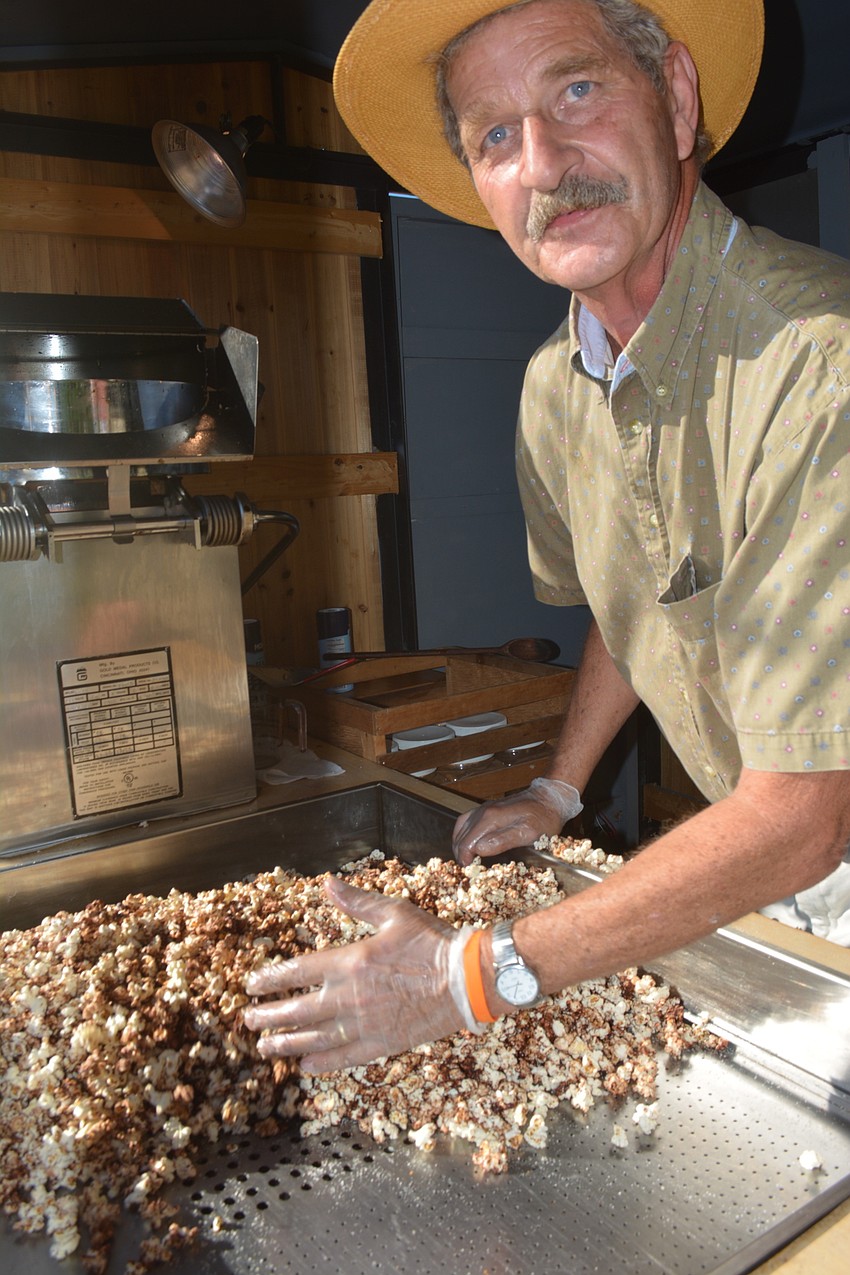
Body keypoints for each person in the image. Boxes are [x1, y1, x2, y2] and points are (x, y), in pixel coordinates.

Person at [243, 0, 850, 1074]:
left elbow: (804, 814)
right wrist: (558, 790)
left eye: (576, 91)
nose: (545, 163)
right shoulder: (551, 390)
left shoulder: (819, 366)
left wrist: (465, 975)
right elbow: (640, 606)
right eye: (494, 136)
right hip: (775, 864)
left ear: (673, 101)